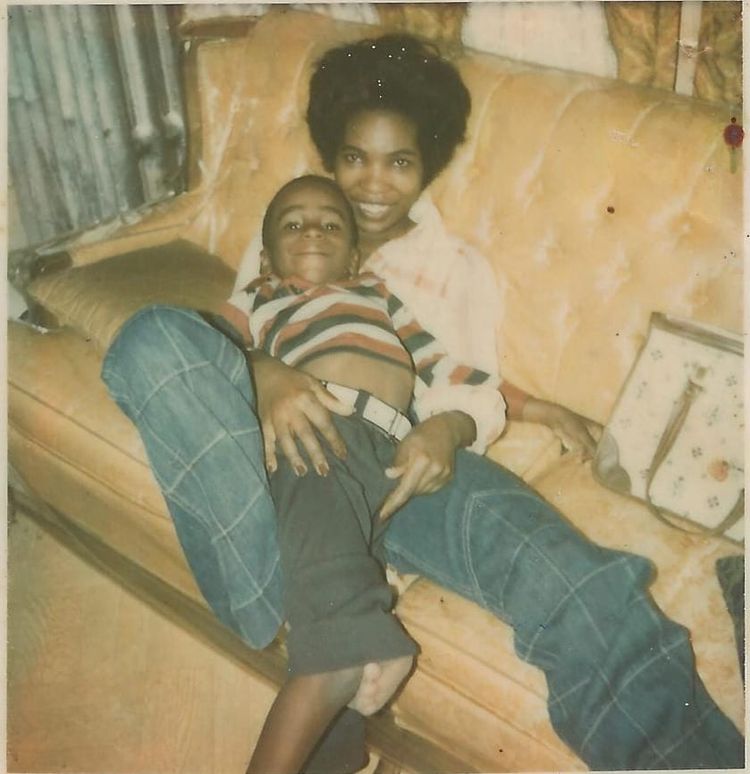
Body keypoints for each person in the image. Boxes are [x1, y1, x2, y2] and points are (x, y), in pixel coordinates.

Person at [101, 32, 744, 773]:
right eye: (354, 158)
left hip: (407, 465)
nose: (373, 184)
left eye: (399, 162)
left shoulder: (453, 267)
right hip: (286, 455)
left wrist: (449, 429)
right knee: (151, 336)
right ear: (331, 155)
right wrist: (262, 374)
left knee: (585, 584)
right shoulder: (289, 228)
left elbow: (464, 377)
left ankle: (301, 610)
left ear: (428, 162)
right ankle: (295, 597)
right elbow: (231, 330)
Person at [241, 174, 506, 773]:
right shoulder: (260, 298)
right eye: (293, 224)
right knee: (334, 628)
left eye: (331, 224)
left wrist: (473, 418)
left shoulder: (380, 296)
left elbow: (449, 369)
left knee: (332, 594)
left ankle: (335, 757)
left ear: (356, 255)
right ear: (264, 256)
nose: (312, 230)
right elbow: (209, 349)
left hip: (392, 452)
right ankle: (359, 652)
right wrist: (261, 369)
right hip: (316, 436)